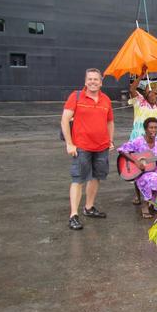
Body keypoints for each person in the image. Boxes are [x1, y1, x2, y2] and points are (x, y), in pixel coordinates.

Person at [61, 68, 114, 230]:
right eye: (90, 79)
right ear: (85, 81)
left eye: (96, 79)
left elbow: (110, 122)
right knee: (78, 179)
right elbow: (65, 120)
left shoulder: (106, 100)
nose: (92, 82)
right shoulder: (76, 97)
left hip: (101, 147)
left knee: (96, 177)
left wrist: (110, 141)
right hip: (82, 146)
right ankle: (73, 215)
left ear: (101, 82)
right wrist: (69, 143)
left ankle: (89, 207)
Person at [118, 117, 157, 218]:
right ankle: (145, 206)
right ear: (145, 129)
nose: (153, 130)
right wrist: (136, 161)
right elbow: (122, 150)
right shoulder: (138, 141)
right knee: (154, 179)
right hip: (143, 173)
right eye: (151, 128)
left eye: (155, 128)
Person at [128, 69, 157, 141]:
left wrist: (156, 103)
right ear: (145, 92)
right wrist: (141, 75)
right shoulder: (139, 101)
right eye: (150, 91)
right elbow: (132, 90)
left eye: (155, 92)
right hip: (139, 140)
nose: (153, 93)